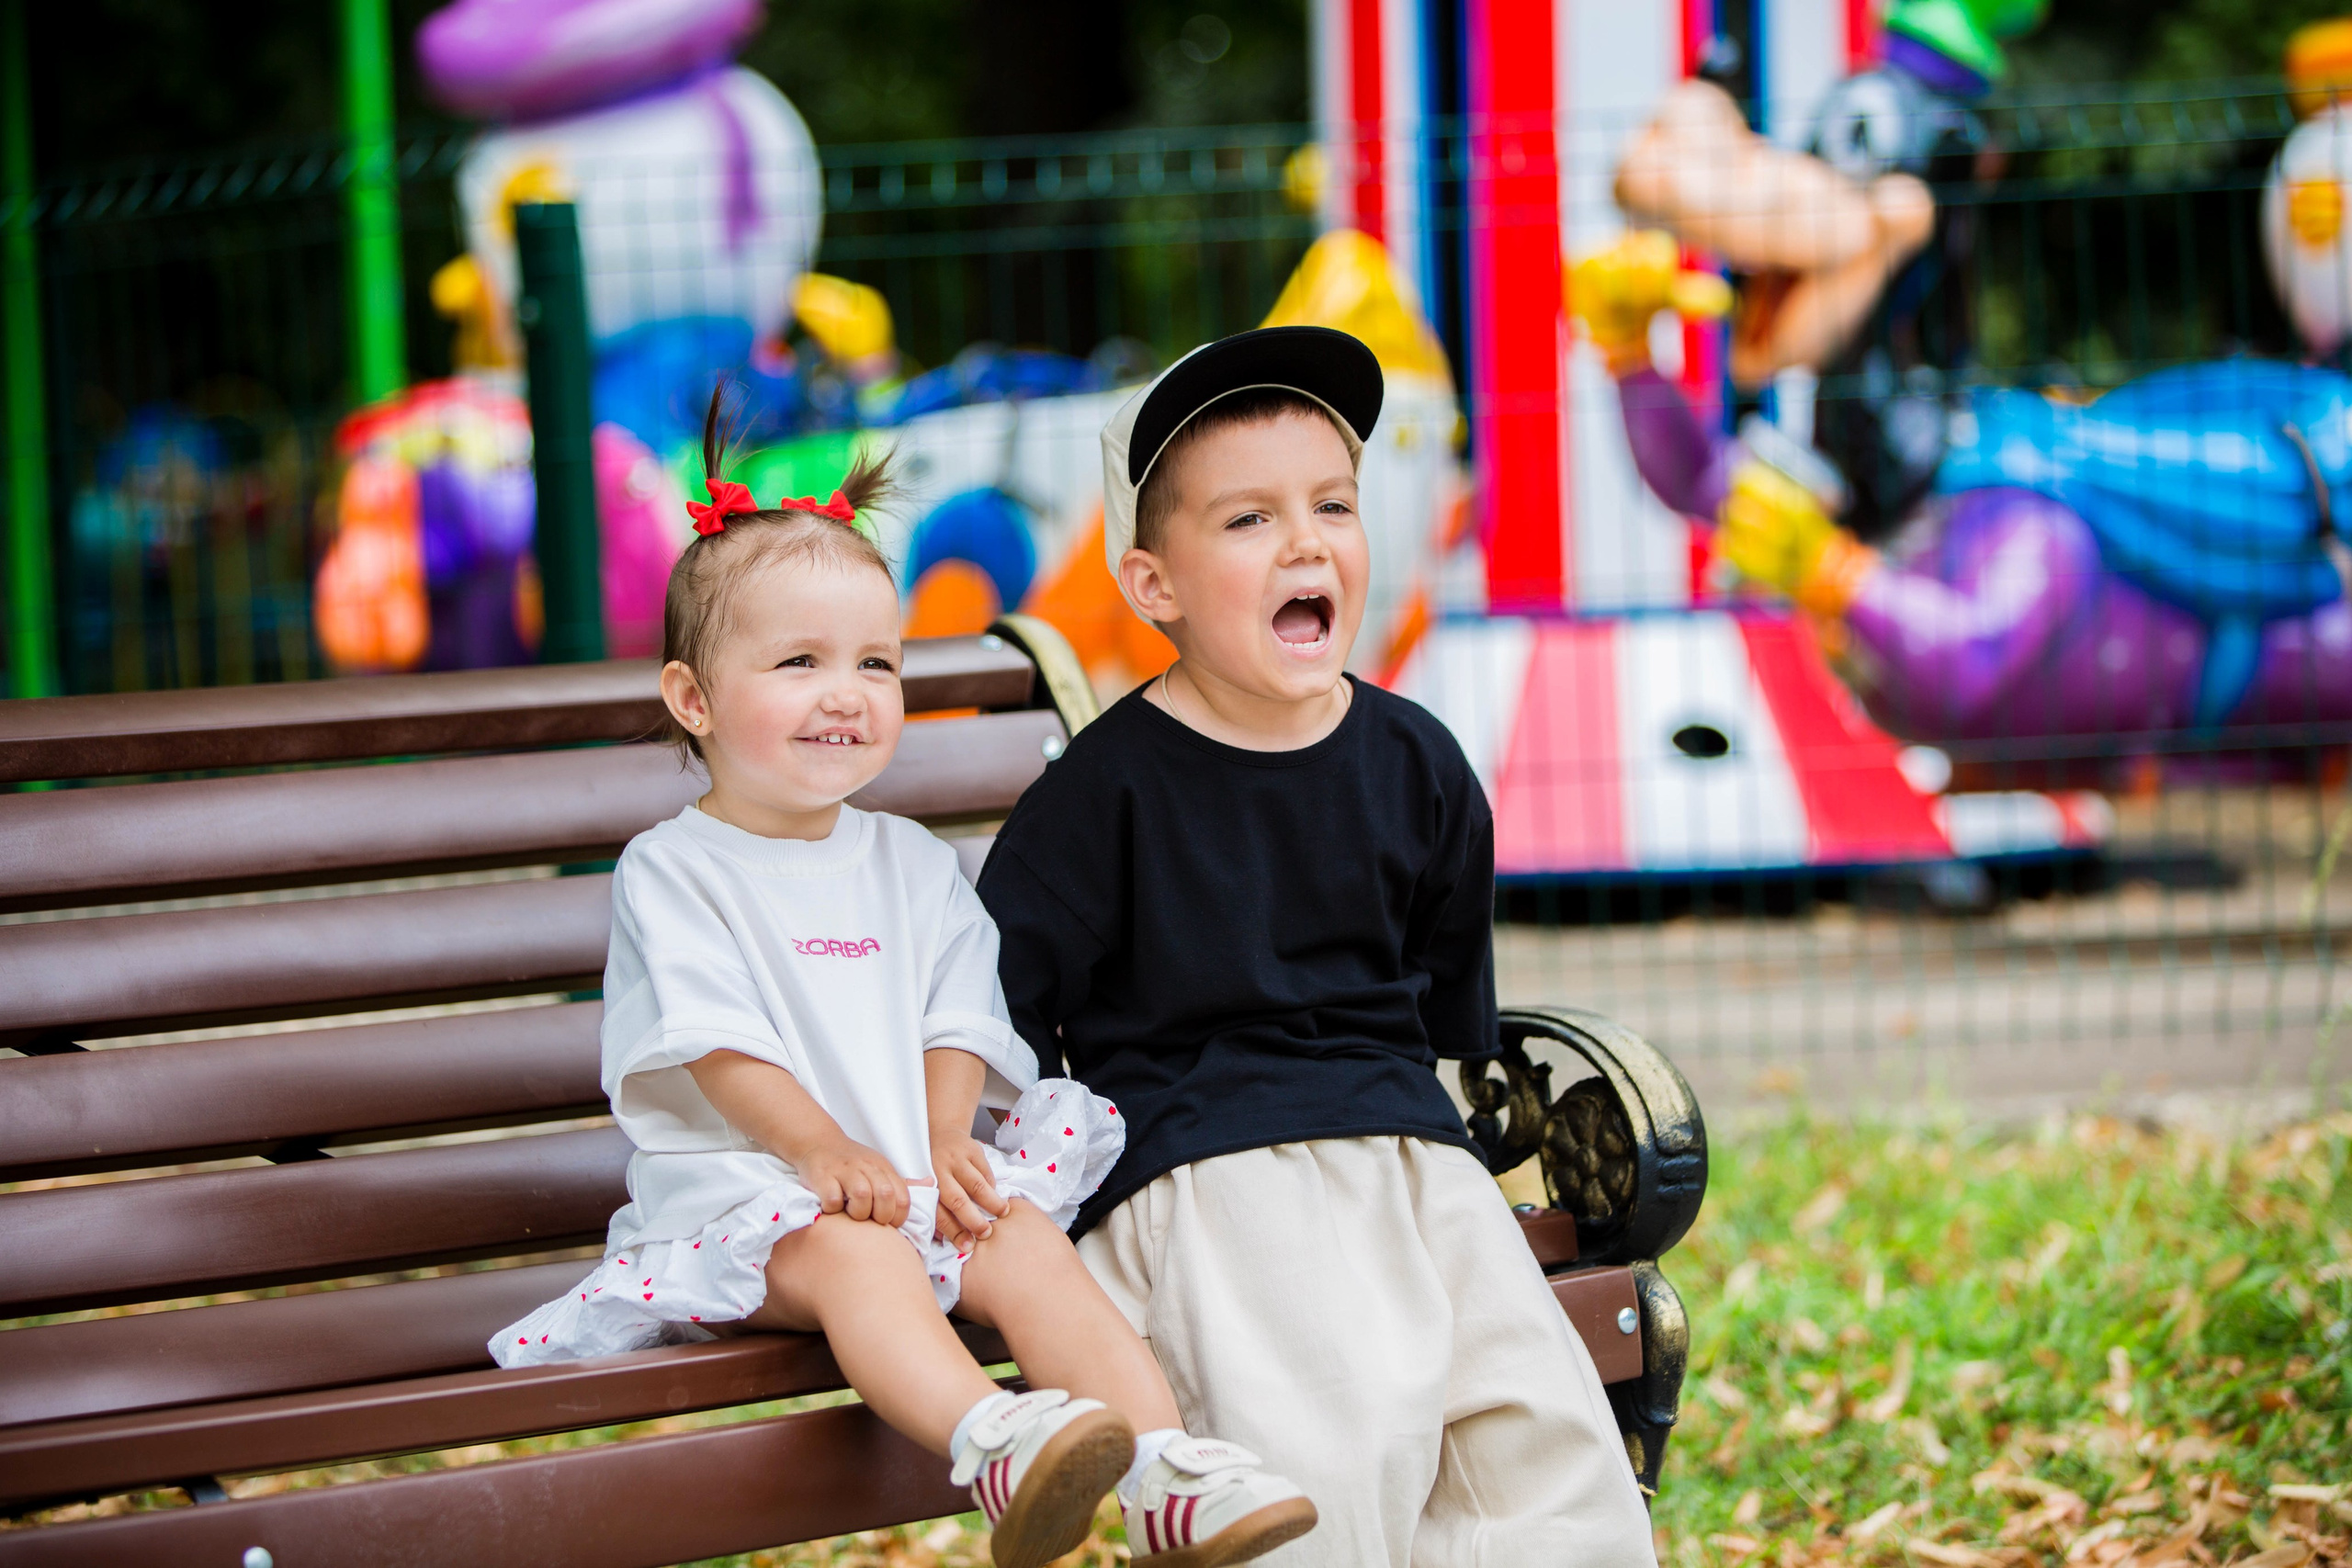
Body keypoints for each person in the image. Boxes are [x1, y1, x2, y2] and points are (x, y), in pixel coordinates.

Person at [489, 389, 1317, 1568]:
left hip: (905, 1179)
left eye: (875, 661)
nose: (848, 691)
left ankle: (1165, 1470)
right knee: (859, 1251)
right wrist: (826, 1156)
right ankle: (997, 1440)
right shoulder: (676, 871)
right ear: (694, 699)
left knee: (1024, 1240)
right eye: (800, 661)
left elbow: (957, 1012)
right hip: (753, 1201)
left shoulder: (908, 861)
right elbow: (717, 1046)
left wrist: (940, 1140)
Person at [976, 325, 1659, 1567]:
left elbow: (1445, 1007)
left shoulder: (1417, 764)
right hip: (1209, 1184)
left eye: (1332, 504)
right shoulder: (1098, 801)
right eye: (1247, 519)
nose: (1304, 541)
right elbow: (996, 1025)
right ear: (1152, 585)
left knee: (1545, 1462)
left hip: (1418, 1164)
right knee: (1321, 1473)